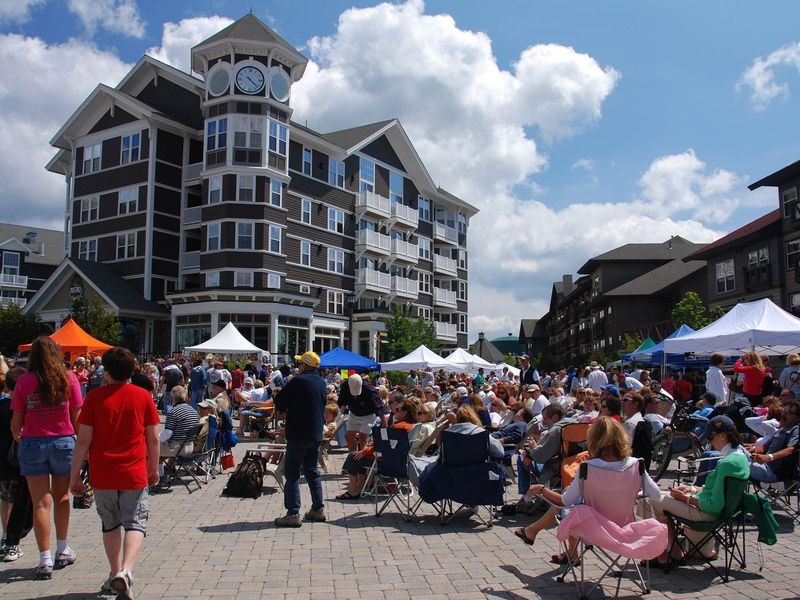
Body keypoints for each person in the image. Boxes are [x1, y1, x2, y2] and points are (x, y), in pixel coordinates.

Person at [69, 346, 159, 597]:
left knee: (110, 524)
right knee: (135, 523)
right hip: (133, 471)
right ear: (132, 371)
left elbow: (83, 441)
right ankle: (126, 571)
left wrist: (74, 475)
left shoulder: (94, 398)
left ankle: (114, 572)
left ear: (106, 372)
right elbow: (153, 438)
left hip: (103, 472)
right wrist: (153, 467)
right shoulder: (143, 397)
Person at [513, 417, 660, 563]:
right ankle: (538, 534)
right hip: (626, 529)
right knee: (575, 502)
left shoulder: (588, 467)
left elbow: (564, 502)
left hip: (592, 531)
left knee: (572, 504)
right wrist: (632, 493)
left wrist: (541, 489)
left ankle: (558, 545)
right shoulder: (637, 464)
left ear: (593, 440)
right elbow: (656, 494)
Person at [10, 336, 83, 580]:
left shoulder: (24, 381)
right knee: (62, 497)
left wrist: (19, 436)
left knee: (40, 502)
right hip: (63, 442)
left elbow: (16, 420)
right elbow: (77, 417)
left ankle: (44, 558)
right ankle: (62, 548)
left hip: (33, 442)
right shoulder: (68, 378)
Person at [650, 416, 749, 563]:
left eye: (711, 437)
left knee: (653, 499)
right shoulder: (740, 457)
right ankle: (674, 549)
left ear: (723, 436)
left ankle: (669, 552)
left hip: (708, 514)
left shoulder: (727, 463)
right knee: (662, 495)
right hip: (720, 513)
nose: (710, 442)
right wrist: (690, 489)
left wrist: (685, 498)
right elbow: (716, 491)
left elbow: (714, 505)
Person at [273, 351, 327, 527]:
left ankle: (293, 513)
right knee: (312, 470)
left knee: (292, 473)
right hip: (315, 434)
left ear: (305, 365)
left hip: (298, 434)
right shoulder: (321, 382)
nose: (298, 367)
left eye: (300, 364)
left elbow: (280, 401)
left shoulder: (298, 381)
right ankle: (317, 509)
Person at [338, 399, 418, 499]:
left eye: (398, 409)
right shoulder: (411, 426)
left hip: (388, 465)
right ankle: (359, 487)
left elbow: (382, 446)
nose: (394, 411)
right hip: (402, 463)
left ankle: (353, 490)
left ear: (405, 412)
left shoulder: (398, 428)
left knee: (353, 456)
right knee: (359, 456)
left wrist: (366, 451)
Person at [748, 403, 800, 484]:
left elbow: (792, 449)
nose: (784, 414)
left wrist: (769, 457)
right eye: (784, 411)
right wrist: (749, 450)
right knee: (737, 454)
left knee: (737, 464)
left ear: (797, 417)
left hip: (774, 472)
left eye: (788, 412)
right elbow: (763, 447)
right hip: (765, 465)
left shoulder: (796, 429)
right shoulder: (781, 430)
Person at [337, 374, 381, 451]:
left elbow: (379, 407)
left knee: (362, 436)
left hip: (369, 414)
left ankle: (362, 454)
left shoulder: (369, 388)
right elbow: (341, 402)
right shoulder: (344, 386)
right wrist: (342, 409)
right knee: (348, 437)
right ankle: (353, 455)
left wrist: (384, 423)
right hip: (354, 413)